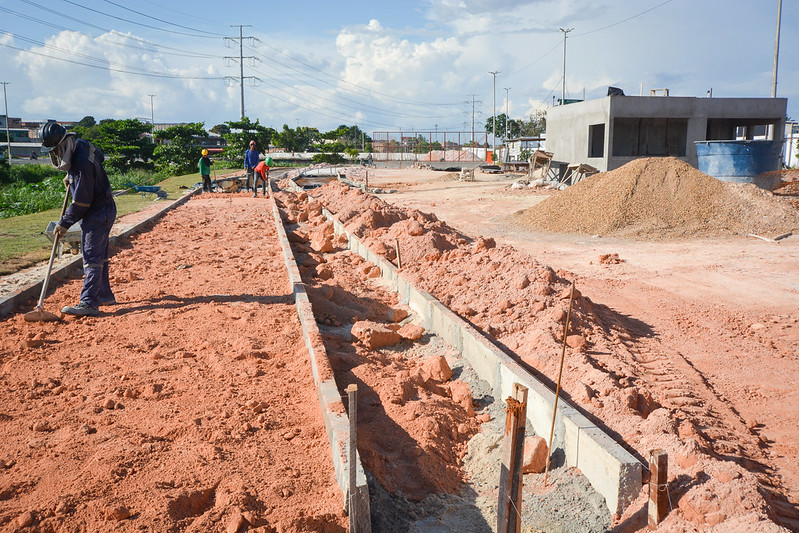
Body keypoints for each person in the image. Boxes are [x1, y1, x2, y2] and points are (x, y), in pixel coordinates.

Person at [42, 121, 117, 317]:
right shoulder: (81, 145)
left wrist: (64, 223)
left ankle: (89, 303)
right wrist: (71, 176)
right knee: (100, 256)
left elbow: (82, 202)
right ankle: (103, 294)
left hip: (98, 212)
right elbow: (97, 158)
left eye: (56, 150)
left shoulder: (82, 162)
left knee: (91, 257)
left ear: (63, 144)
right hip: (103, 208)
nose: (56, 154)